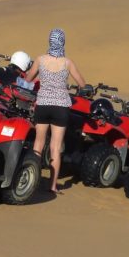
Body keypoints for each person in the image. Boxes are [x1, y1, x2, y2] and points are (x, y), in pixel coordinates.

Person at [23, 29, 86, 194]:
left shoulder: (40, 59)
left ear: (50, 41)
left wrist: (42, 79)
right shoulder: (67, 63)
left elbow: (28, 79)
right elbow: (82, 84)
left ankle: (33, 180)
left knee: (38, 144)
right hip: (61, 108)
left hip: (43, 104)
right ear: (63, 42)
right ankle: (52, 186)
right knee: (55, 148)